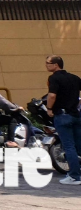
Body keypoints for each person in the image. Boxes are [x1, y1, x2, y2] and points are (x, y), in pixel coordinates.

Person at [46, 56, 81, 185]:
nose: (46, 65)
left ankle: (74, 176)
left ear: (56, 65)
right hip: (76, 115)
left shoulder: (54, 78)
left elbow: (52, 95)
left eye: (48, 63)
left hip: (62, 115)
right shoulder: (75, 78)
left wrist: (49, 108)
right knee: (79, 146)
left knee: (69, 146)